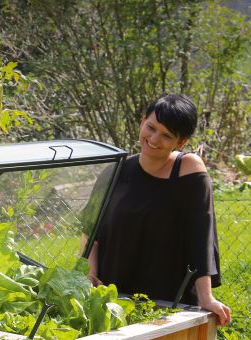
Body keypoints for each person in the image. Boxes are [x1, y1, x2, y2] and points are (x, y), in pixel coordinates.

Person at [87, 93, 231, 325]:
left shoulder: (188, 169)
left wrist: (206, 297)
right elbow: (90, 234)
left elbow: (201, 237)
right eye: (151, 127)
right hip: (113, 304)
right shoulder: (115, 172)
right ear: (142, 121)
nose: (154, 139)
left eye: (167, 135)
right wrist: (91, 278)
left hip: (170, 307)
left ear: (181, 142)